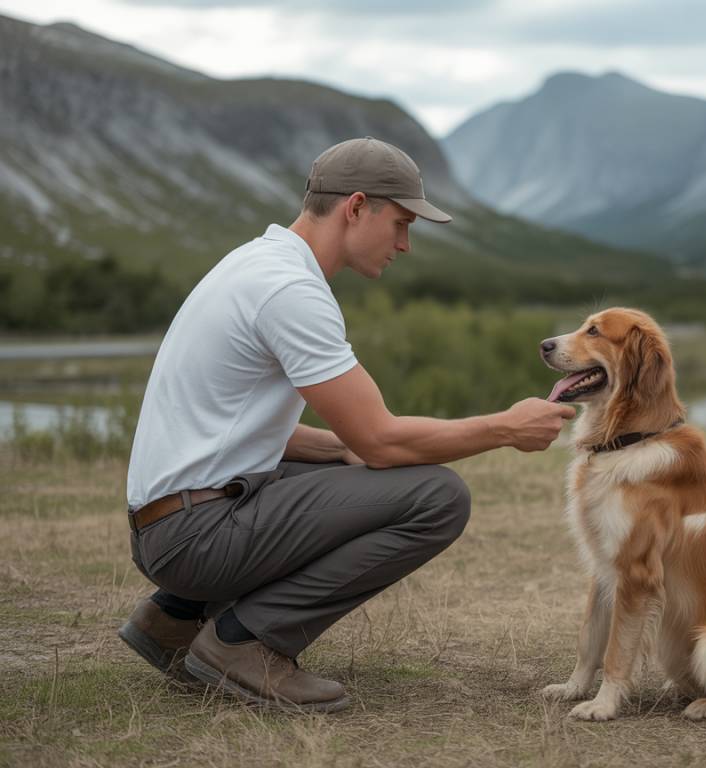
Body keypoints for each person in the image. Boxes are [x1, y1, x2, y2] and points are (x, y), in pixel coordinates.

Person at [119, 136, 575, 713]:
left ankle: (173, 617)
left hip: (170, 523)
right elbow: (381, 440)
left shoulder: (253, 262)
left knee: (337, 460)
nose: (405, 245)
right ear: (356, 207)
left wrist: (339, 451)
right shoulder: (290, 289)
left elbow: (244, 428)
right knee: (435, 496)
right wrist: (505, 428)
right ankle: (243, 643)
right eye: (401, 223)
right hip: (192, 538)